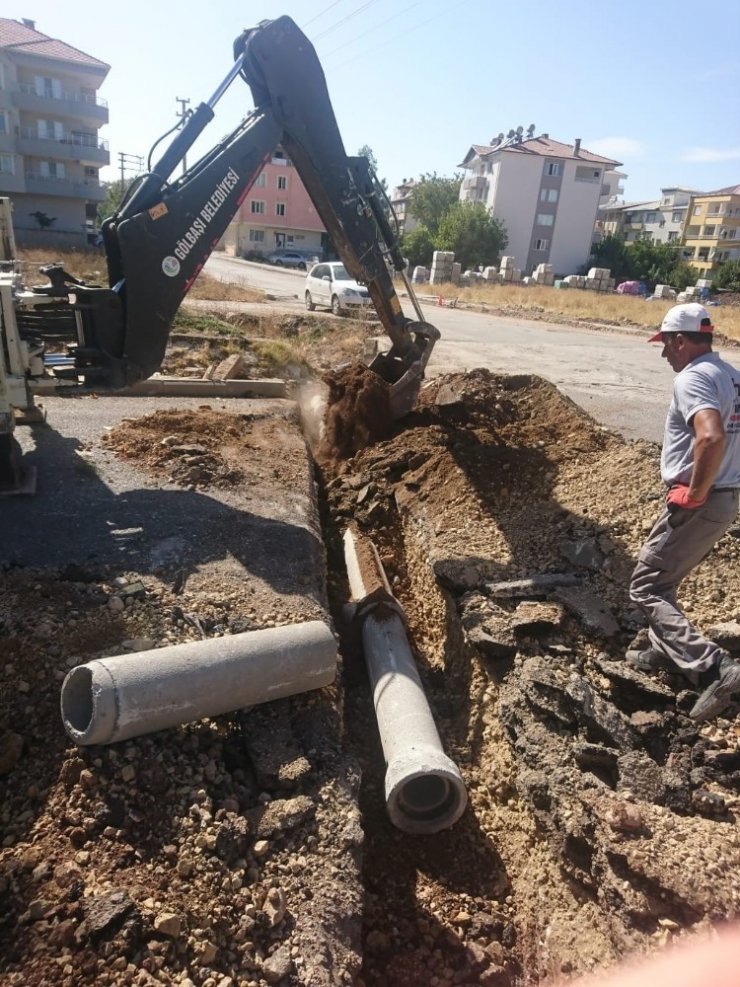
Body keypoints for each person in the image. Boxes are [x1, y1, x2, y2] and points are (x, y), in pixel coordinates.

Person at [628, 302, 740, 721]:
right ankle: (666, 651)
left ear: (680, 340)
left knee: (647, 586)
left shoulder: (694, 378)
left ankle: (714, 667)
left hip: (702, 499)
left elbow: (710, 437)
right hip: (725, 496)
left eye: (666, 345)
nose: (664, 354)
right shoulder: (730, 375)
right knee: (665, 578)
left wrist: (694, 493)